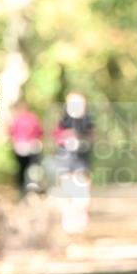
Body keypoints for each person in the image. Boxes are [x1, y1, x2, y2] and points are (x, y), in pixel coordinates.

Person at [53, 91, 94, 234]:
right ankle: (69, 222)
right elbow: (56, 136)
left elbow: (92, 137)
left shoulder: (87, 119)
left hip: (81, 161)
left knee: (81, 193)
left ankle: (81, 222)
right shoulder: (63, 119)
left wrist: (82, 140)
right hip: (66, 160)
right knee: (67, 191)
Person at [8, 100, 44, 195]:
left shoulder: (17, 119)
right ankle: (29, 189)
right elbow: (40, 132)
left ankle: (24, 189)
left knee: (24, 169)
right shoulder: (32, 118)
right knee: (31, 168)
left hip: (23, 147)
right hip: (28, 147)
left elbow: (11, 132)